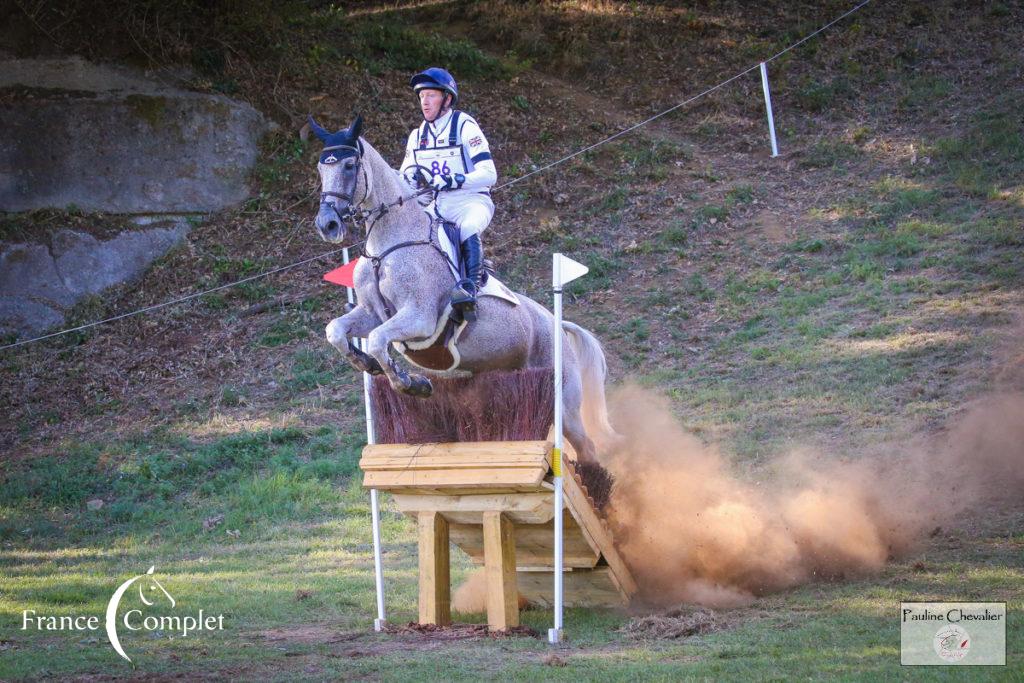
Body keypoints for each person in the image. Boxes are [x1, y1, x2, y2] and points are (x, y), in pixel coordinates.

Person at [399, 67, 497, 321]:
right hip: (438, 204)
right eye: (421, 97)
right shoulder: (417, 136)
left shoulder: (465, 125)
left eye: (431, 95)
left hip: (472, 201)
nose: (424, 102)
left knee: (467, 227)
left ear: (447, 99)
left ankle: (469, 290)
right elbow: (405, 177)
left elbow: (489, 173)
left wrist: (456, 179)